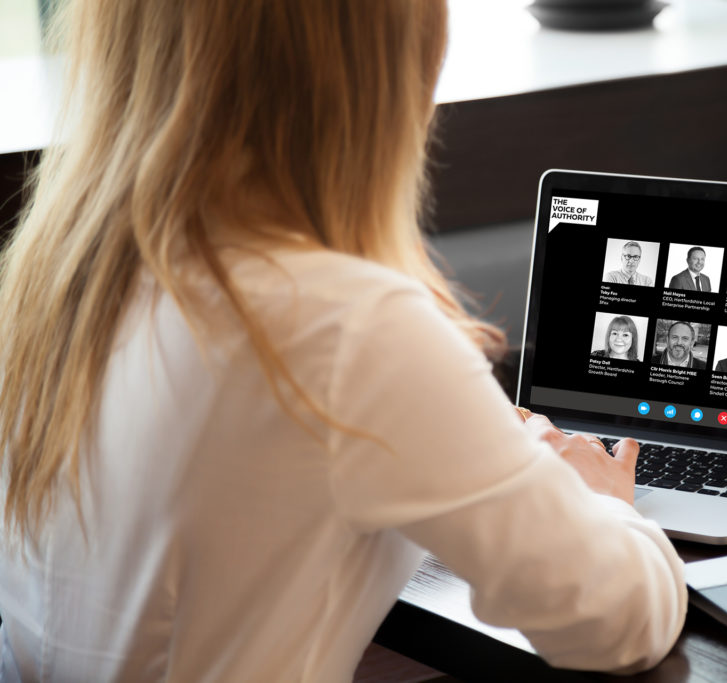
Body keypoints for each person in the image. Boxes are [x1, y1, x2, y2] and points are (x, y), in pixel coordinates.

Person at [0, 2, 687, 680]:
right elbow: (616, 621)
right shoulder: (347, 327)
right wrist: (596, 503)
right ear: (378, 68)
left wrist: (475, 464)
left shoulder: (54, 282)